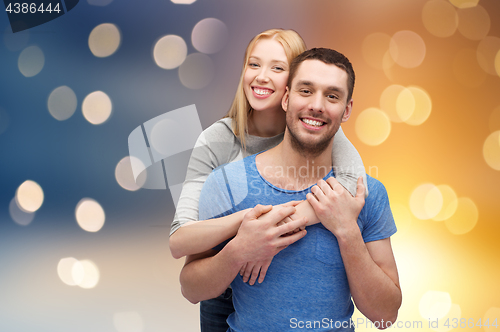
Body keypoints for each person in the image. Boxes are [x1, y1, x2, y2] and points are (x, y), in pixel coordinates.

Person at [179, 48, 402, 331]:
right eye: (305, 91)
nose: (317, 105)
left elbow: (386, 316)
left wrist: (347, 232)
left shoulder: (366, 194)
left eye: (332, 96)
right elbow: (191, 290)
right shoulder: (226, 183)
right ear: (286, 98)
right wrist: (238, 251)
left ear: (346, 110)